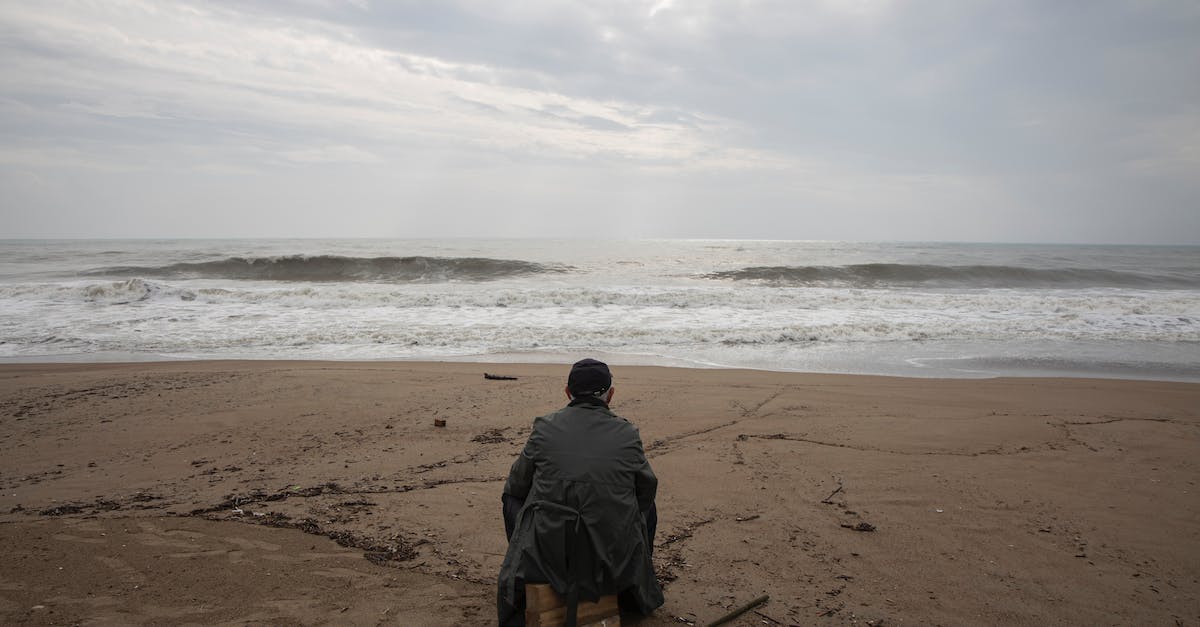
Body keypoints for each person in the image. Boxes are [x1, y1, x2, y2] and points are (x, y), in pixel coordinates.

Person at [497, 358, 663, 626]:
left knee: (512, 498)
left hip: (550, 552)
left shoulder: (544, 427)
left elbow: (516, 486)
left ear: (567, 392)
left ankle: (532, 573)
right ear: (610, 394)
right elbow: (646, 491)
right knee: (648, 506)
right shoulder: (628, 433)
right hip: (611, 555)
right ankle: (630, 588)